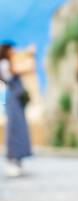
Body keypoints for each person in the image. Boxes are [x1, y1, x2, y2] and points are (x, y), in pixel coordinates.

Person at [0, 42, 33, 177]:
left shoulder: (10, 62)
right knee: (14, 129)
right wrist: (28, 53)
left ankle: (18, 159)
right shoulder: (5, 64)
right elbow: (23, 69)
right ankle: (11, 159)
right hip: (13, 100)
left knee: (20, 129)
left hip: (17, 100)